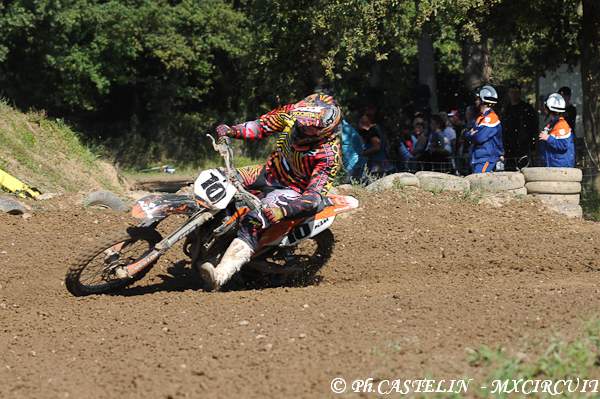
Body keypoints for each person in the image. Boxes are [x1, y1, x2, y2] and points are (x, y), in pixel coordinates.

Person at [200, 93, 342, 291]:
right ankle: (209, 230)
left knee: (256, 218)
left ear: (324, 129)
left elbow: (314, 196)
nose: (303, 126)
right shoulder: (291, 114)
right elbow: (260, 126)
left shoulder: (329, 155)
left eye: (310, 125)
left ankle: (221, 275)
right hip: (268, 172)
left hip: (291, 190)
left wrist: (281, 211)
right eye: (302, 121)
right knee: (218, 178)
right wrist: (232, 130)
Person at [465, 85, 504, 173]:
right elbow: (466, 134)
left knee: (480, 184)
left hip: (487, 158)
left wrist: (472, 134)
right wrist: (470, 134)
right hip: (478, 158)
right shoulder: (480, 118)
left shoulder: (492, 118)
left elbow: (479, 138)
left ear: (483, 100)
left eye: (478, 99)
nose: (476, 101)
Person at [501, 82, 537, 170]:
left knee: (524, 170)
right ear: (509, 94)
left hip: (523, 146)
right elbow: (503, 128)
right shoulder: (506, 109)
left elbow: (533, 127)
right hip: (508, 146)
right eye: (512, 92)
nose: (514, 95)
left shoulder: (526, 108)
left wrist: (533, 146)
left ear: (520, 93)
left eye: (516, 92)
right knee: (509, 171)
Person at [538, 93, 575, 167]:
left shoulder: (561, 125)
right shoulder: (553, 123)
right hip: (553, 166)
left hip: (561, 169)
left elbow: (563, 145)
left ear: (548, 108)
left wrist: (548, 138)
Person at [358, 113, 391, 178]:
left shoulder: (372, 131)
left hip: (377, 165)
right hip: (383, 163)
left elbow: (376, 147)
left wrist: (363, 153)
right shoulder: (379, 128)